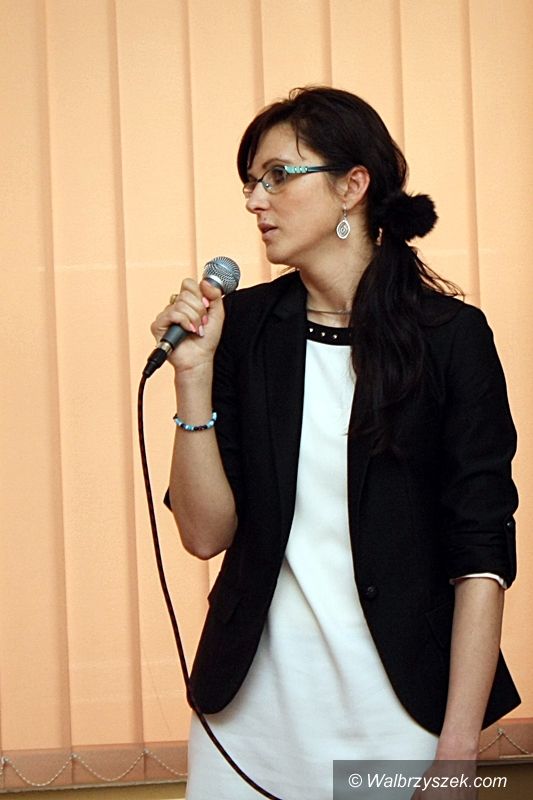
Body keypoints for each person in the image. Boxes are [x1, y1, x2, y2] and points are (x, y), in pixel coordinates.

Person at [150, 87, 519, 799]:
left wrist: (458, 748)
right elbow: (203, 535)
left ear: (353, 186)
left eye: (277, 176)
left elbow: (480, 552)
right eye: (250, 182)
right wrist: (192, 380)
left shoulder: (450, 339)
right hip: (247, 721)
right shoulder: (242, 328)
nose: (255, 200)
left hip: (399, 715)